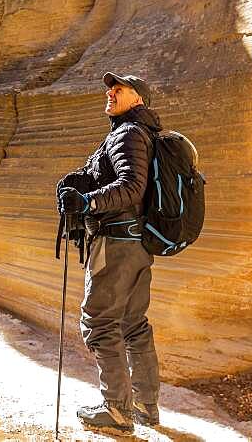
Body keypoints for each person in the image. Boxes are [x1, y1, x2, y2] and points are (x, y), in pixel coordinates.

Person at [57, 72, 162, 434]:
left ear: (138, 99)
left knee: (100, 323)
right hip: (137, 246)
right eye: (109, 87)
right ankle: (146, 408)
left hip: (116, 245)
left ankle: (117, 411)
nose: (110, 92)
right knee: (133, 324)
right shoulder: (138, 133)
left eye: (120, 89)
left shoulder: (128, 133)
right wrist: (82, 181)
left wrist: (87, 201)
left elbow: (132, 187)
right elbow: (119, 179)